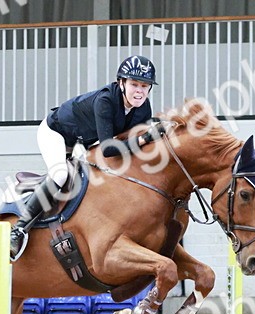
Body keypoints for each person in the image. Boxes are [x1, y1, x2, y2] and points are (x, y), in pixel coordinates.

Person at [9, 55, 157, 260]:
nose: (139, 91)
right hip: (56, 132)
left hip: (84, 142)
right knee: (60, 176)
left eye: (144, 85)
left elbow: (133, 146)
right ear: (121, 83)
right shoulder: (105, 100)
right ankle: (19, 229)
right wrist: (144, 139)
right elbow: (109, 150)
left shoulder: (143, 108)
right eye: (134, 84)